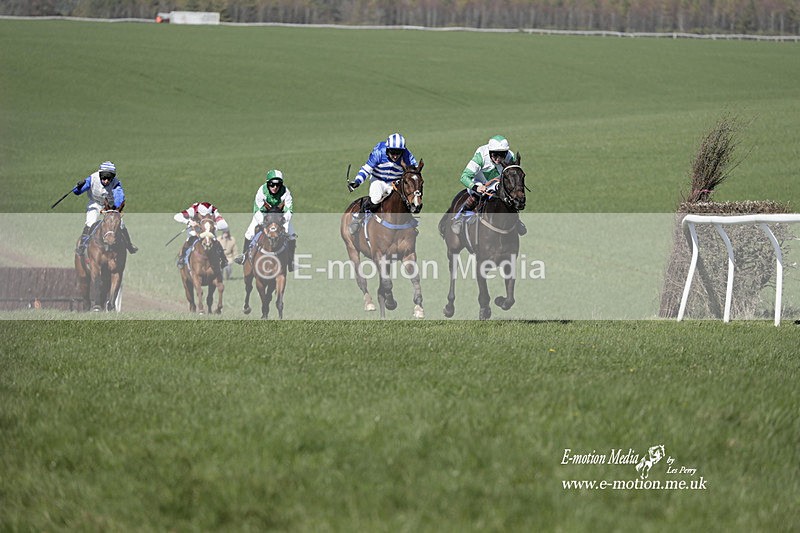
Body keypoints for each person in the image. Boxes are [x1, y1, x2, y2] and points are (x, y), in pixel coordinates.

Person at [450, 135, 527, 235]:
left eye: (502, 155)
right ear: (490, 152)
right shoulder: (481, 156)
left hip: (497, 183)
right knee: (475, 197)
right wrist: (476, 187)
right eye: (495, 155)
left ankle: (516, 219)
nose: (499, 159)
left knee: (508, 197)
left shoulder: (510, 157)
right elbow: (464, 177)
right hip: (478, 182)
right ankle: (459, 217)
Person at [346, 133, 418, 235]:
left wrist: (407, 168)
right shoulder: (379, 153)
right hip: (378, 180)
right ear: (387, 149)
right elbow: (367, 169)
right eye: (392, 152)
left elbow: (415, 171)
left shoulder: (407, 155)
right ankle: (358, 217)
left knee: (403, 200)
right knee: (376, 198)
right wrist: (358, 181)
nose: (395, 155)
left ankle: (409, 223)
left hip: (394, 182)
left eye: (398, 152)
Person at [234, 169, 297, 271]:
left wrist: (283, 222)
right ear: (268, 183)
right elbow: (257, 210)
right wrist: (263, 224)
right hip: (264, 216)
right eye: (272, 184)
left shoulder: (285, 192)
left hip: (280, 217)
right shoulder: (261, 191)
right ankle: (244, 257)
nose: (275, 187)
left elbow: (289, 210)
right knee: (249, 233)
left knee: (292, 235)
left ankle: (291, 262)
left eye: (278, 184)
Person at [73, 161, 138, 255]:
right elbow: (77, 192)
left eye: (109, 178)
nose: (106, 181)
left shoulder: (116, 183)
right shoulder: (92, 179)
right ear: (100, 175)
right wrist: (78, 187)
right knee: (90, 223)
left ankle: (129, 245)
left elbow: (119, 196)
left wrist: (116, 208)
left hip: (110, 206)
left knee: (121, 224)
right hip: (95, 203)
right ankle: (82, 245)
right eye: (104, 178)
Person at [173, 202, 229, 270]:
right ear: (198, 212)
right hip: (195, 231)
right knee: (189, 240)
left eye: (208, 215)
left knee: (216, 241)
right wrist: (189, 222)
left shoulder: (213, 211)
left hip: (208, 231)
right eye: (203, 216)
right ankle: (182, 258)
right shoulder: (193, 210)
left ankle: (224, 259)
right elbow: (177, 216)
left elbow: (225, 225)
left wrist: (213, 227)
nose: (206, 217)